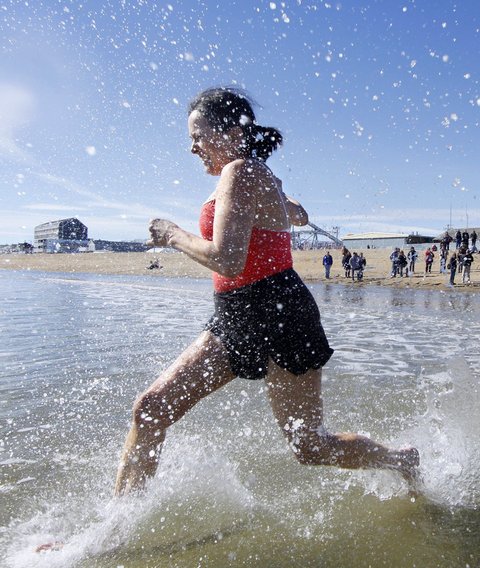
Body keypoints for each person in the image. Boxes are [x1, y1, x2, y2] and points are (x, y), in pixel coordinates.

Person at [114, 87, 418, 496]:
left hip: (280, 313)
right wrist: (283, 200)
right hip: (236, 313)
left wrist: (171, 234)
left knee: (309, 446)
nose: (193, 148)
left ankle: (400, 460)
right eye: (191, 139)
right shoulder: (251, 173)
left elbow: (227, 259)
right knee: (150, 410)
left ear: (233, 135)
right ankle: (119, 527)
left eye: (198, 137)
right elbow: (298, 214)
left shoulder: (240, 171)